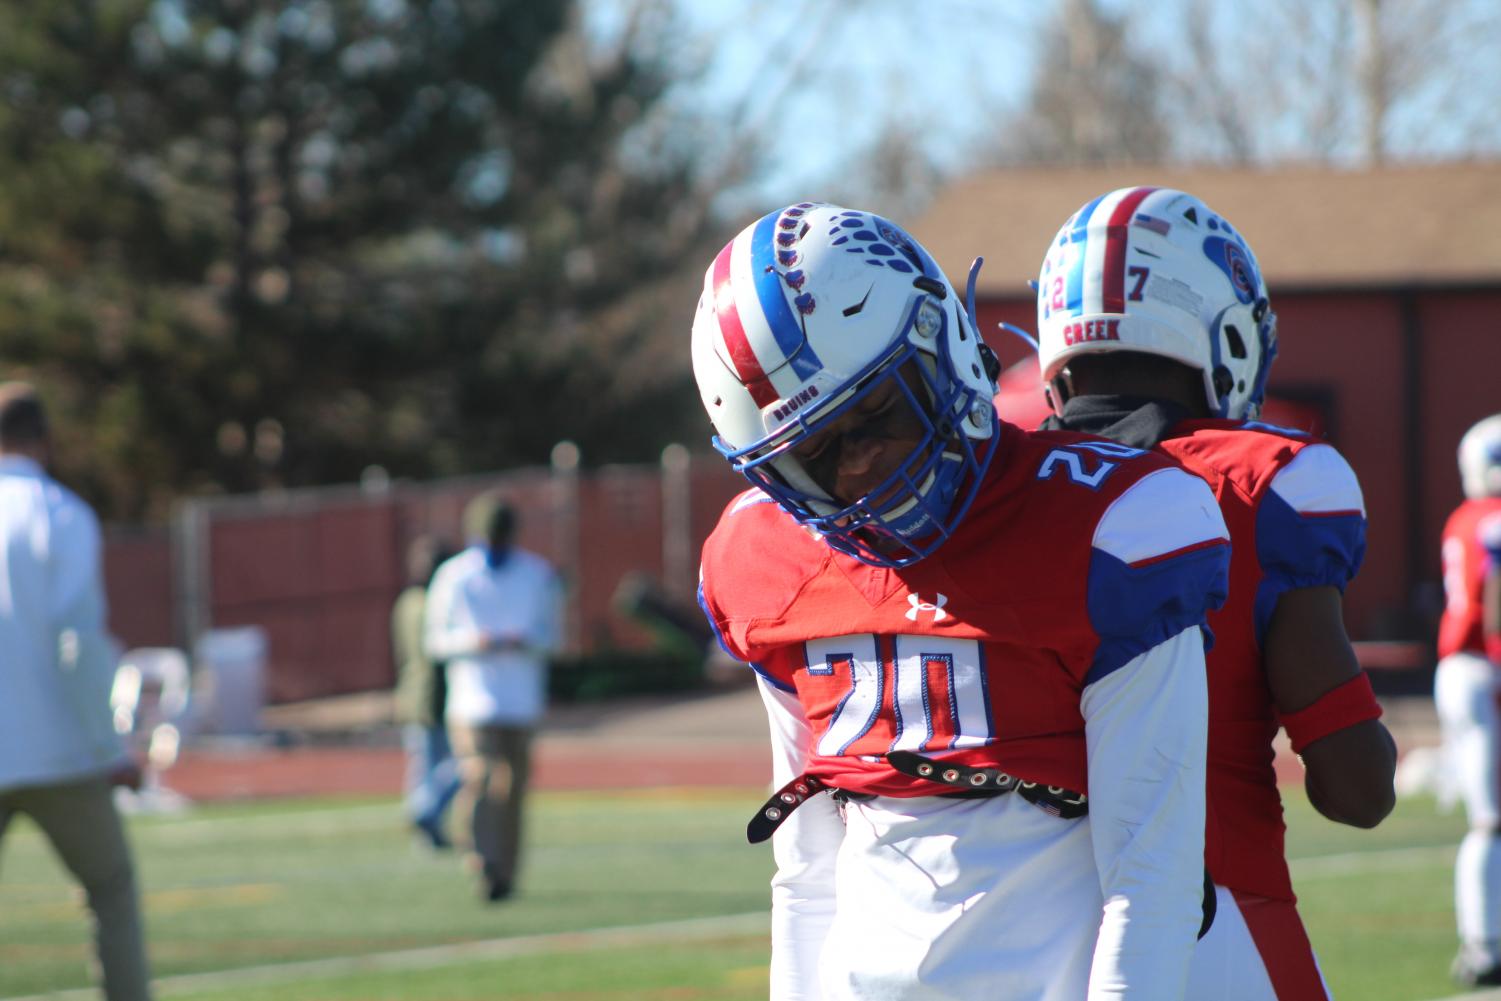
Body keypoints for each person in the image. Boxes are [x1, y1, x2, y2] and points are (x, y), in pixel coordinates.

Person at [693, 202, 1232, 999]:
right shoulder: (767, 562)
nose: (859, 468)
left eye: (876, 413)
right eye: (812, 456)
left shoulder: (1109, 527)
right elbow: (806, 870)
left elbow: (1148, 875)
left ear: (939, 340)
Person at [1033, 186, 1397, 999]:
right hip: (1211, 920)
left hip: (1017, 935)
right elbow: (1355, 789)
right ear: (1222, 332)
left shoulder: (995, 490)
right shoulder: (1265, 486)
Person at [0, 382, 154, 1001]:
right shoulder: (58, 512)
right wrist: (109, 745)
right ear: (46, 440)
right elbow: (77, 644)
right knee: (111, 889)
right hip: (59, 750)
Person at [424, 492, 562, 902]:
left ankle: (506, 871)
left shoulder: (536, 574)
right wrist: (474, 641)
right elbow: (434, 640)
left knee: (513, 789)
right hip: (472, 702)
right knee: (480, 778)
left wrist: (525, 642)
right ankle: (481, 858)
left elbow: (554, 637)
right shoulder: (454, 576)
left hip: (520, 702)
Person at [1435, 413, 1501, 987]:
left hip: (1462, 667)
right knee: (1490, 818)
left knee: (1490, 816)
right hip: (1485, 666)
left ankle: (1484, 939)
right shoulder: (1493, 521)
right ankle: (1482, 944)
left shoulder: (1463, 517)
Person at [392, 533, 460, 851]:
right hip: (432, 699)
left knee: (423, 768)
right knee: (458, 765)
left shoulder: (405, 602)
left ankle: (428, 830)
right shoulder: (432, 606)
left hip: (409, 694)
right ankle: (425, 812)